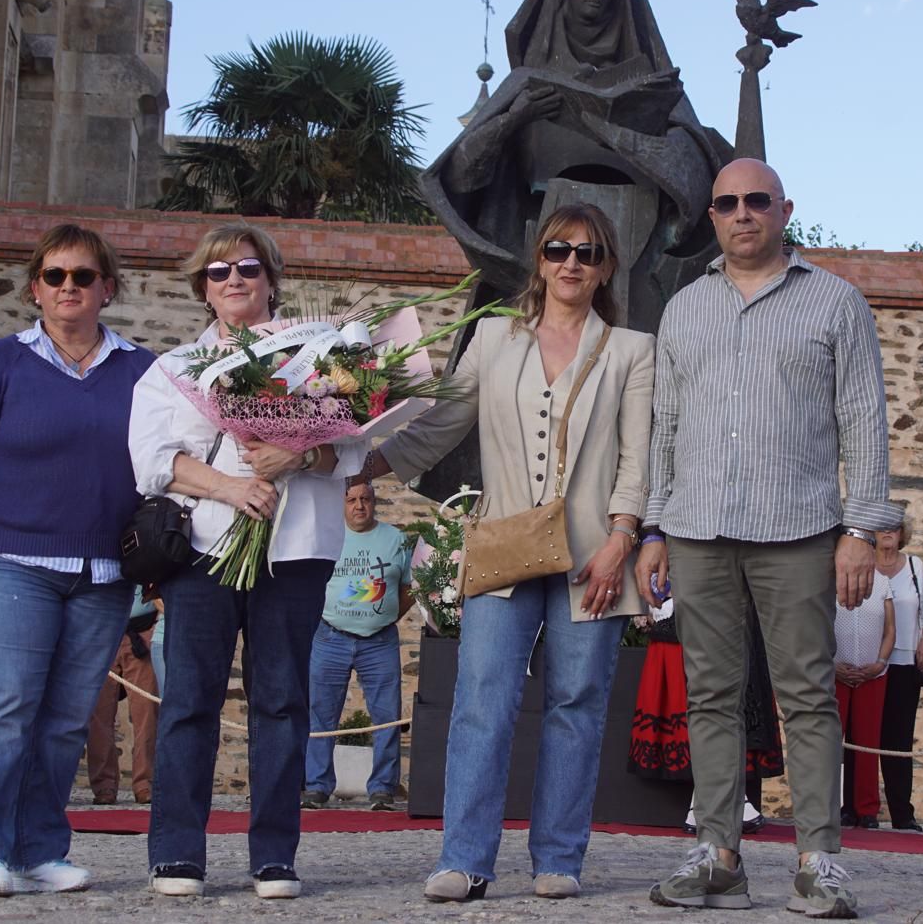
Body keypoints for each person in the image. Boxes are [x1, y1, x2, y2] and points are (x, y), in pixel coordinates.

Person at [362, 203, 655, 902]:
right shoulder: (494, 338)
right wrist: (353, 465)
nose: (571, 263)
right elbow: (441, 426)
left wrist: (623, 537)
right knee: (482, 699)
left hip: (594, 553)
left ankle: (558, 858)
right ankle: (464, 859)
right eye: (558, 250)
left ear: (606, 266)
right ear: (540, 260)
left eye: (587, 252)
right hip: (504, 542)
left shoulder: (631, 351)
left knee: (577, 703)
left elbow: (639, 455)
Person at [638, 158, 896, 918]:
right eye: (727, 203)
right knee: (711, 696)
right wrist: (654, 525)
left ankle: (820, 860)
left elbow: (864, 420)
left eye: (757, 200)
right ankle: (718, 855)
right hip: (698, 527)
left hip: (800, 528)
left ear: (785, 210)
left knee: (808, 696)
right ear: (712, 217)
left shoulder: (836, 302)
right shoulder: (684, 309)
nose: (742, 213)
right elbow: (667, 429)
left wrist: (862, 529)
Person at [130, 223, 361, 900]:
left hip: (295, 550)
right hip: (204, 549)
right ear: (203, 287)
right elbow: (151, 462)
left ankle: (274, 854)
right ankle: (177, 850)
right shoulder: (173, 369)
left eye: (248, 269)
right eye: (219, 271)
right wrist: (231, 487)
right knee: (190, 699)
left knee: (283, 702)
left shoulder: (322, 353)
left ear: (271, 280)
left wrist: (301, 453)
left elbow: (354, 446)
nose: (234, 280)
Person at [0, 223, 154, 897]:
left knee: (64, 719)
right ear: (35, 289)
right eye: (55, 276)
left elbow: (168, 458)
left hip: (104, 573)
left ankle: (37, 848)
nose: (69, 287)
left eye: (83, 276)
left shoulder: (141, 370)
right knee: (8, 703)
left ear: (106, 288)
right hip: (12, 562)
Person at [421, 0, 726, 336]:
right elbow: (459, 177)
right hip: (536, 253)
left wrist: (620, 135)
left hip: (635, 260)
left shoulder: (655, 89)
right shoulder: (527, 83)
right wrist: (514, 119)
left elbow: (694, 172)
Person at [628, 585, 784, 836]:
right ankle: (717, 806)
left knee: (723, 708)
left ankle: (707, 806)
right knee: (709, 708)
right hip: (690, 615)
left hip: (725, 610)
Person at [303, 480, 414, 811]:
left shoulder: (396, 540)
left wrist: (386, 615)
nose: (359, 506)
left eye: (365, 498)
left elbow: (408, 588)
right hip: (330, 637)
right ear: (343, 503)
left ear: (374, 501)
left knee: (386, 716)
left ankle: (382, 787)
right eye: (351, 499)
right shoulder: (328, 534)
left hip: (379, 641)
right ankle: (317, 785)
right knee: (321, 714)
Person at [869, 517, 923, 831]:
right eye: (881, 527)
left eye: (893, 528)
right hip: (866, 664)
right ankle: (860, 808)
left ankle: (901, 811)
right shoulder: (862, 564)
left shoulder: (915, 566)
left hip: (904, 662)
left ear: (902, 534)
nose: (887, 532)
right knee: (863, 738)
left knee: (898, 741)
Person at [84, 588, 160, 805]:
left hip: (141, 630)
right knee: (98, 716)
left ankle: (145, 783)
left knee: (147, 712)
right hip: (102, 632)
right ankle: (104, 785)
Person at [834, 575, 895, 830]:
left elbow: (890, 628)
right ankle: (831, 806)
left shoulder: (882, 583)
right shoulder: (828, 578)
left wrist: (880, 663)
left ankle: (867, 808)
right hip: (835, 674)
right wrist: (832, 665)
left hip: (872, 674)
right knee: (831, 745)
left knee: (868, 744)